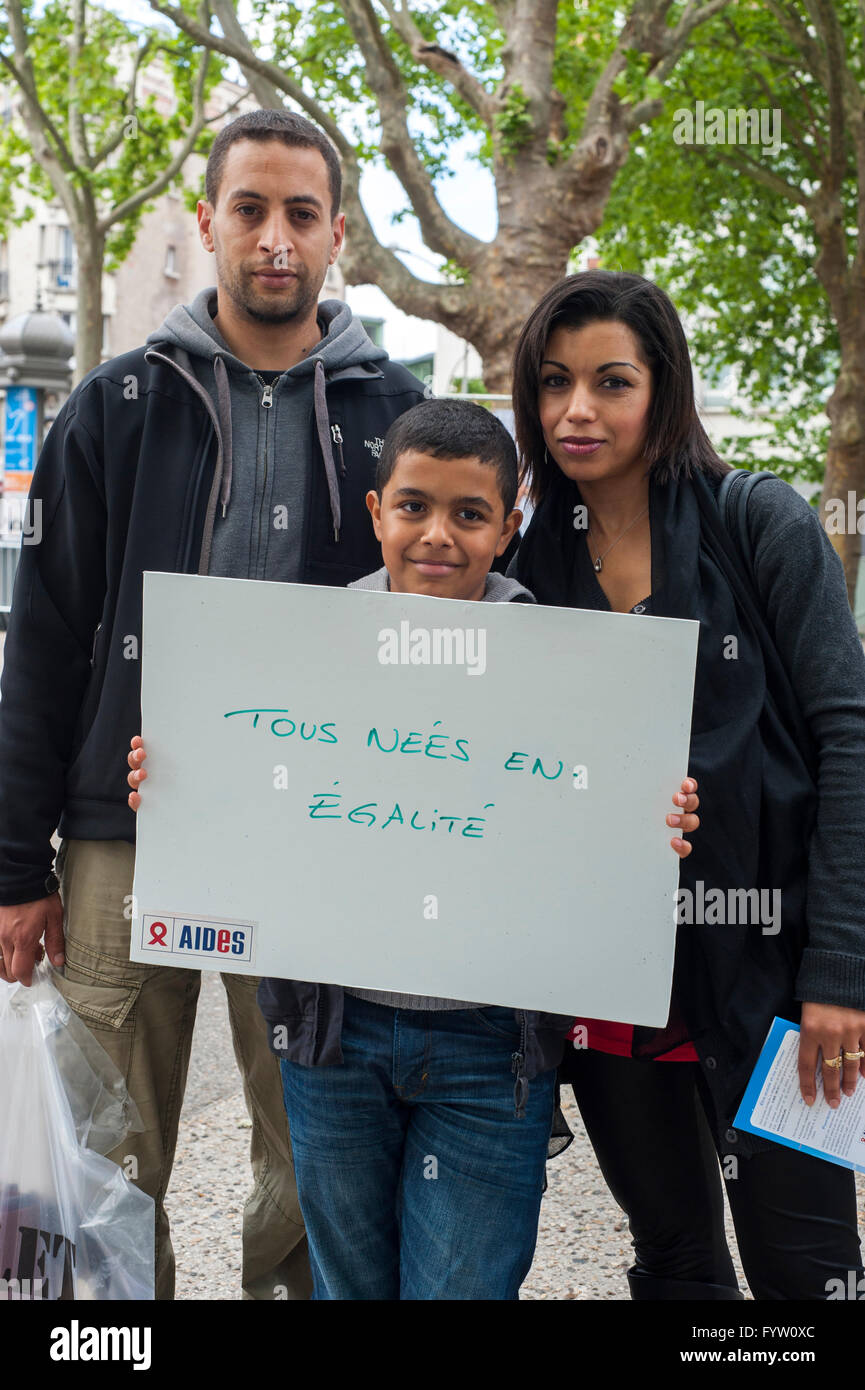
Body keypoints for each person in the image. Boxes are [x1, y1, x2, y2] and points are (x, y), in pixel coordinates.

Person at [129, 397, 701, 1300]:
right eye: (413, 507)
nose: (438, 535)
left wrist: (650, 822)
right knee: (348, 1285)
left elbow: (601, 825)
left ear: (509, 526)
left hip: (491, 1050)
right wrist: (179, 787)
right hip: (333, 1040)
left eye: (470, 514)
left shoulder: (574, 672)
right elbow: (244, 791)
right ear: (374, 513)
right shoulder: (297, 652)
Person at [0, 108, 428, 1300]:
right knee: (103, 1139)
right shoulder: (114, 406)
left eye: (301, 213)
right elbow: (39, 645)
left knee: (313, 1142)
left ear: (338, 233)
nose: (275, 238)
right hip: (121, 832)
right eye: (250, 210)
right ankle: (112, 1330)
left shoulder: (397, 417)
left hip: (318, 836)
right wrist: (13, 867)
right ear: (210, 224)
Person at [508, 269, 865, 1301]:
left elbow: (847, 740)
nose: (578, 410)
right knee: (673, 1262)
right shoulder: (527, 567)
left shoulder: (759, 523)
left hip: (777, 984)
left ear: (663, 391)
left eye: (610, 382)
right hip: (614, 996)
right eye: (552, 382)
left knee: (809, 1271)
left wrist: (838, 970)